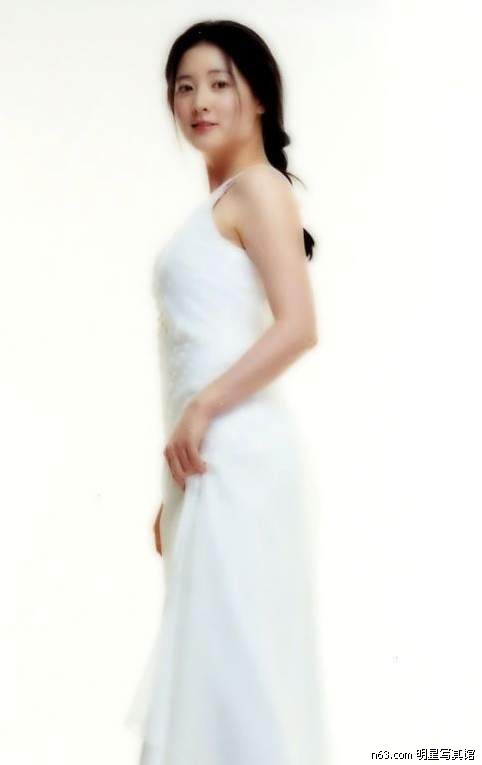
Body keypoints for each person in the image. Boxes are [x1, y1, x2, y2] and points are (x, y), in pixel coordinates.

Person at [125, 19, 327, 765]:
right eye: (184, 87)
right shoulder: (220, 203)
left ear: (259, 97)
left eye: (219, 83)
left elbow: (299, 326)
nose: (199, 101)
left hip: (239, 458)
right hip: (209, 467)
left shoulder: (261, 191)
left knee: (236, 669)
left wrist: (202, 410)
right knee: (216, 668)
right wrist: (174, 490)